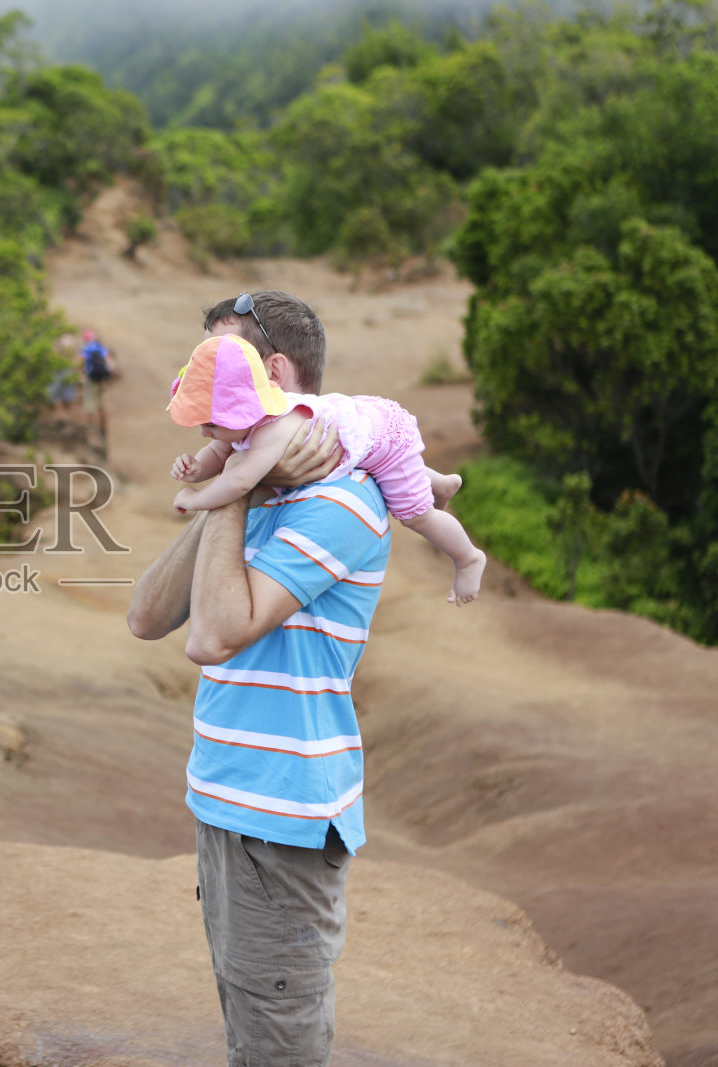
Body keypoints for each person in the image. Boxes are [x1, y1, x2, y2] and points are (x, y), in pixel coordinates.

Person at [127, 290, 382, 1067]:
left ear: (273, 369)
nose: (199, 386)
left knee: (278, 1047)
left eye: (216, 363)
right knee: (249, 1027)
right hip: (229, 804)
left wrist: (237, 484)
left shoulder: (342, 499)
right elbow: (147, 615)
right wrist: (243, 480)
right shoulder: (268, 492)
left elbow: (211, 635)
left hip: (285, 817)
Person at [167, 331, 486, 604]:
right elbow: (220, 450)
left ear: (237, 412)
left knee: (416, 516)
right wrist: (197, 470)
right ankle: (441, 484)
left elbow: (239, 480)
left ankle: (468, 558)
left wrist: (196, 499)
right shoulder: (247, 417)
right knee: (394, 471)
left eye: (210, 423)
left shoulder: (273, 430)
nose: (204, 432)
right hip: (363, 422)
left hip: (385, 440)